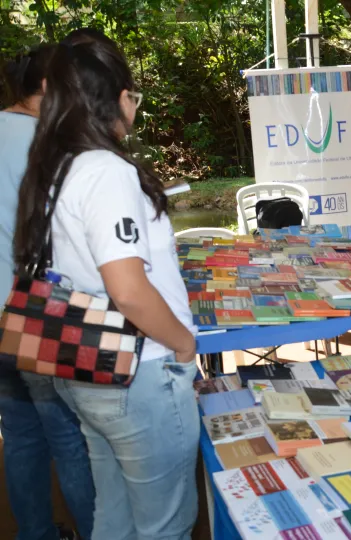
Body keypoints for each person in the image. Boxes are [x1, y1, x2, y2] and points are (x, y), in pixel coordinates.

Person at [13, 36, 200, 538]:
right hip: (141, 371)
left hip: (83, 364)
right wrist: (184, 345)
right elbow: (129, 289)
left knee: (114, 513)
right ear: (118, 97)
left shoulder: (54, 167)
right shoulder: (106, 170)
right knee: (166, 523)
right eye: (134, 97)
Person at [0, 44, 95, 540]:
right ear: (45, 89)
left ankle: (34, 533)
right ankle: (99, 531)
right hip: (37, 311)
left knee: (19, 435)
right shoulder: (51, 144)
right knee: (68, 436)